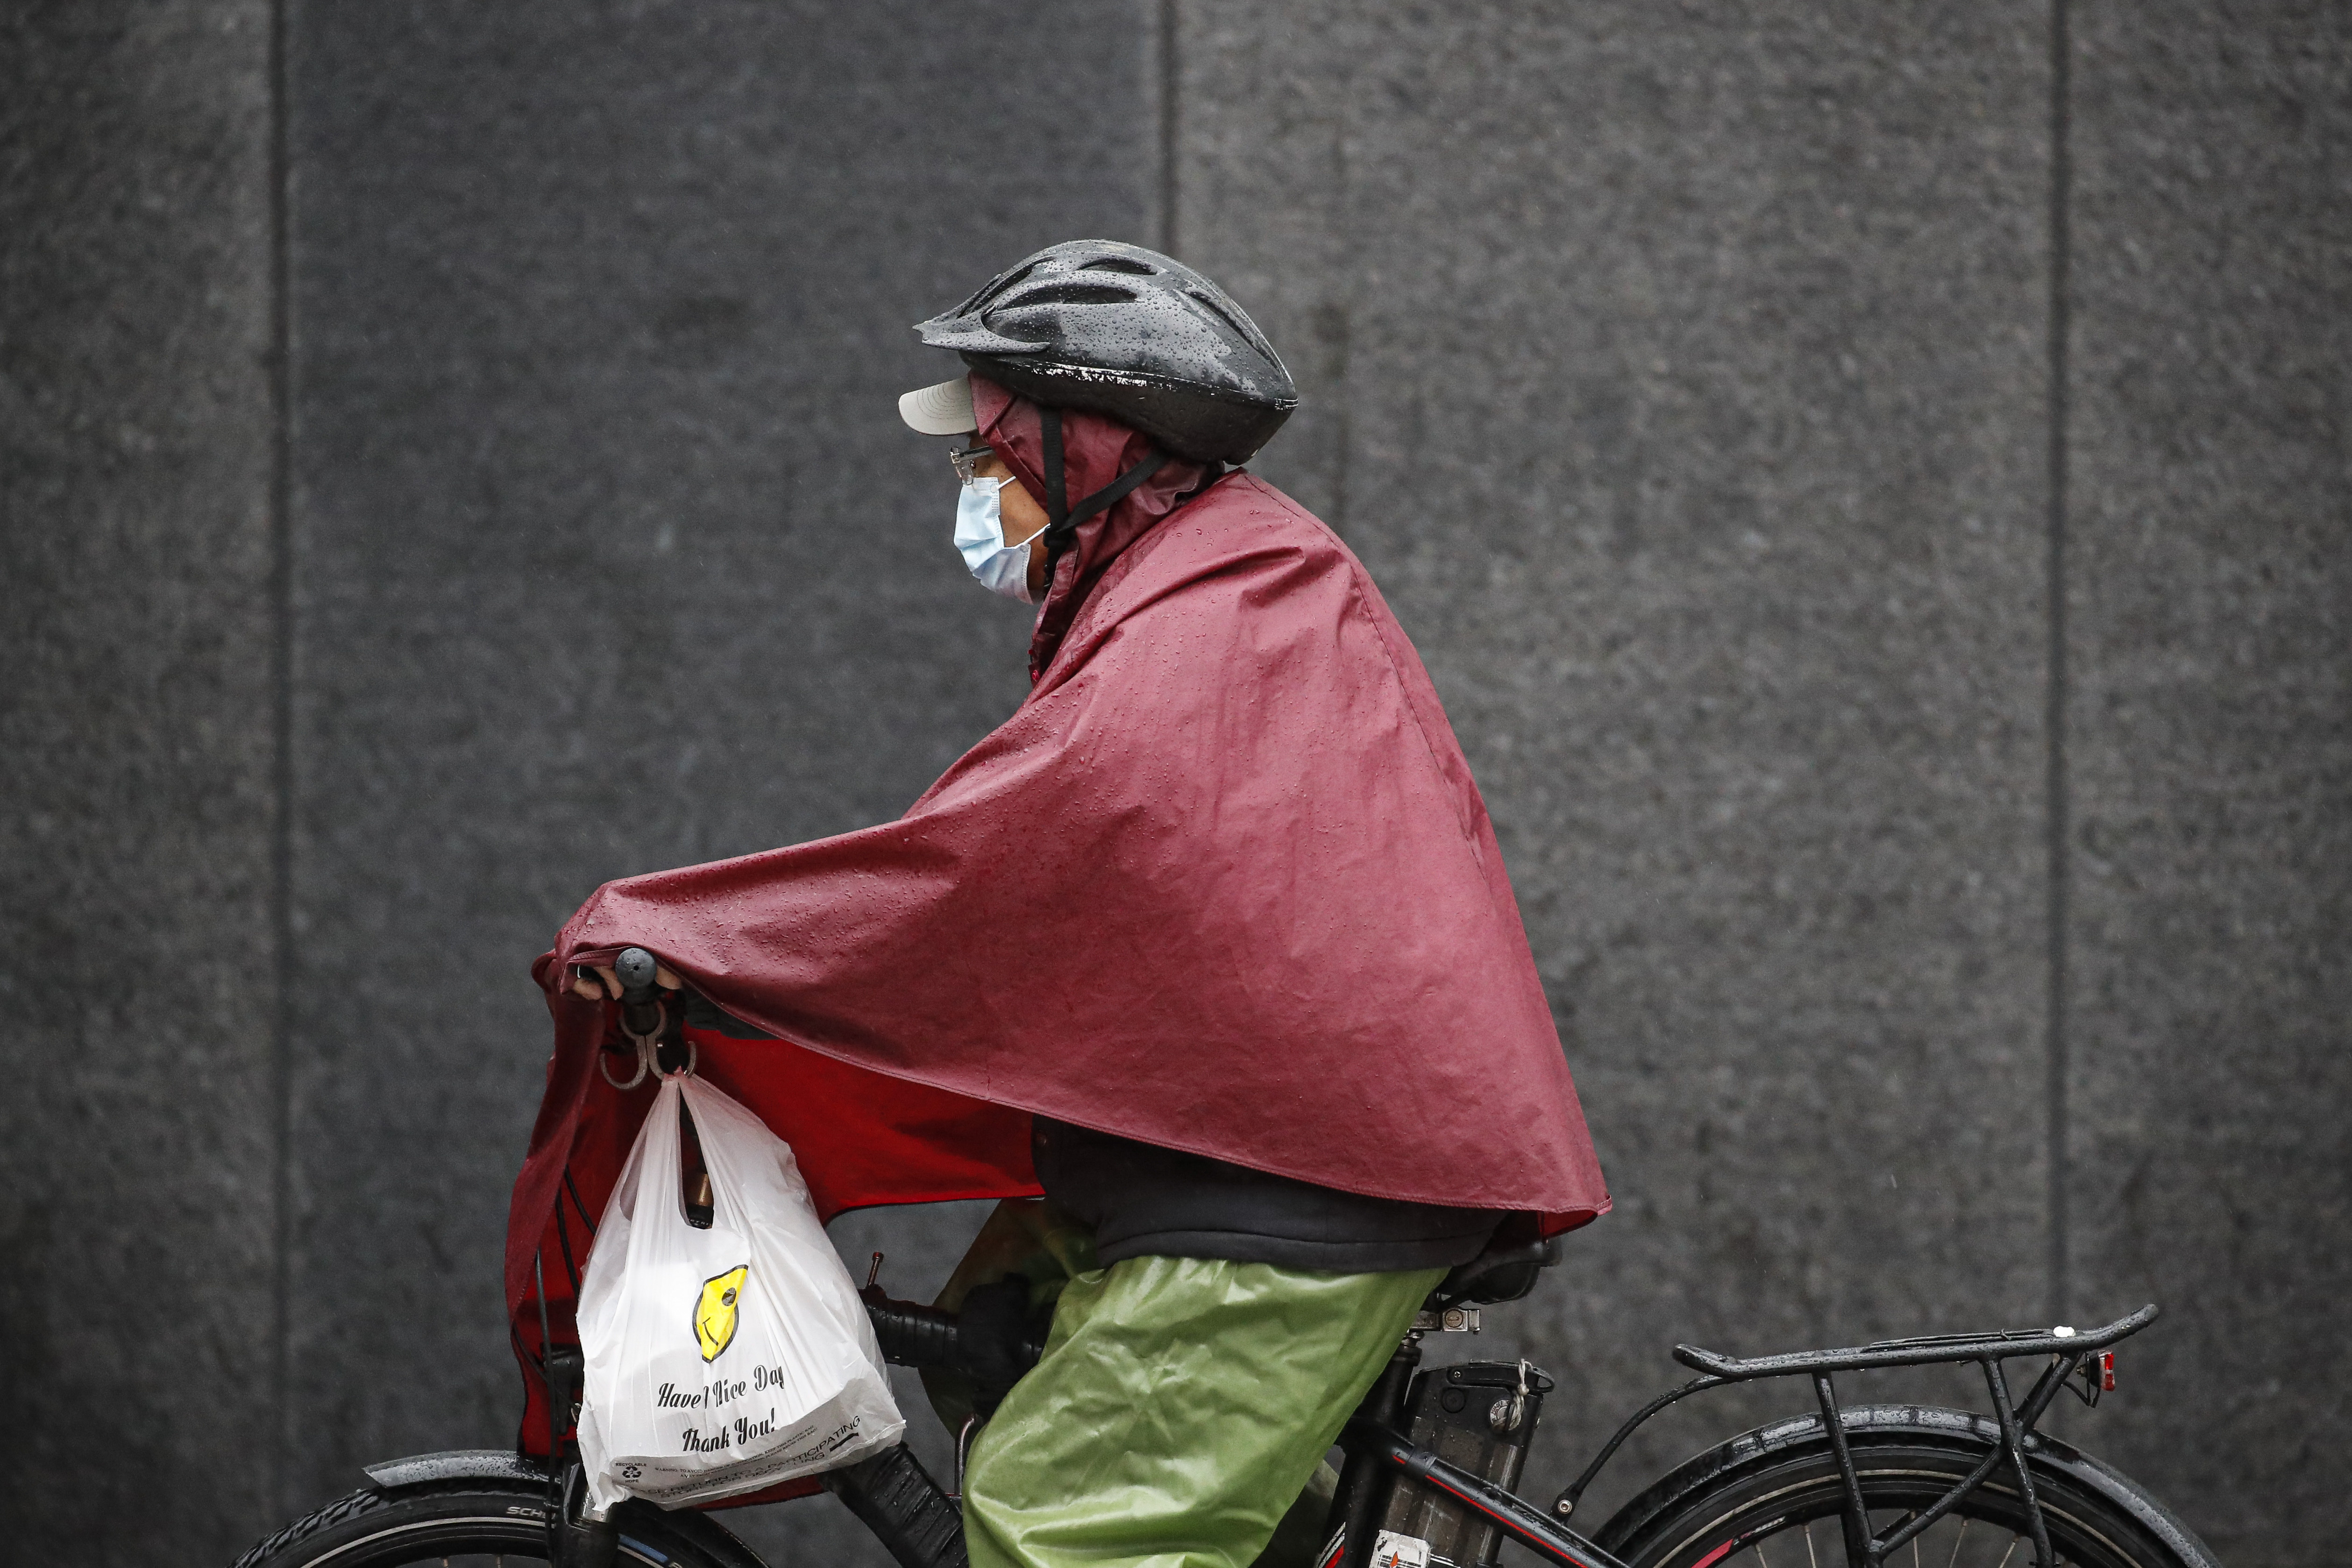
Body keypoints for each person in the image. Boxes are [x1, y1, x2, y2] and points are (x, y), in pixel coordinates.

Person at [514, 240, 1608, 1568]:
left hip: (1301, 1177)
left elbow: (1001, 861)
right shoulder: (1195, 579)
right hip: (1262, 1142)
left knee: (1054, 1522)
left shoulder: (1219, 597)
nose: (974, 493)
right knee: (993, 1343)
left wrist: (717, 939)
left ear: (1085, 452)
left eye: (990, 460)